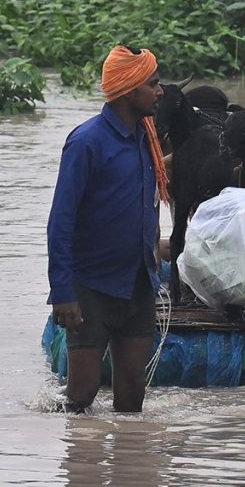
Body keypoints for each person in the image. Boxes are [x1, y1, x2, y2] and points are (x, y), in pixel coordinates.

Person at [47, 46, 168, 413]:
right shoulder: (87, 142)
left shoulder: (147, 140)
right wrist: (62, 292)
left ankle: (128, 468)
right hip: (92, 290)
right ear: (130, 90)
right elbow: (60, 221)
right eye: (154, 84)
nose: (160, 92)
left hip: (138, 286)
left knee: (132, 399)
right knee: (80, 397)